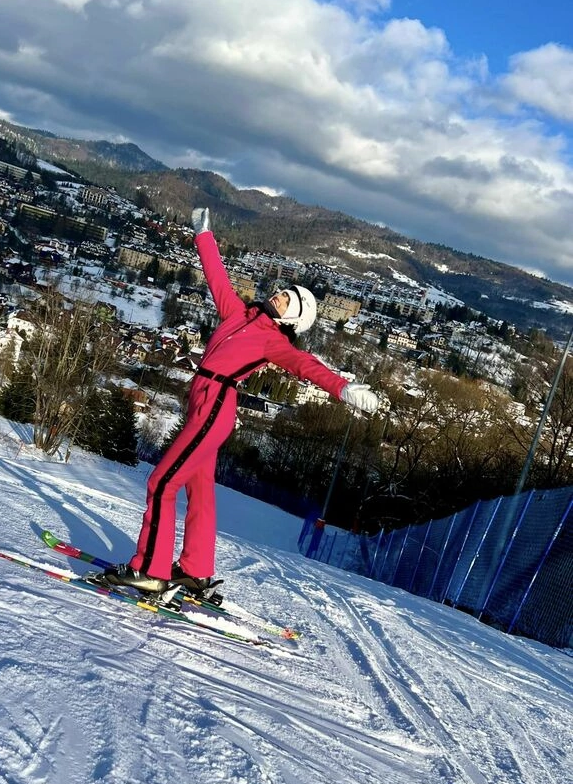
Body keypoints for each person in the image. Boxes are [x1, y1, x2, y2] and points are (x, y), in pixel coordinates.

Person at [103, 208, 384, 597]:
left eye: (287, 300)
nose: (279, 296)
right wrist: (204, 235)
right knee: (198, 488)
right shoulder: (239, 313)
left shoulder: (275, 341)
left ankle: (149, 570)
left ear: (293, 320)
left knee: (162, 481)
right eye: (282, 292)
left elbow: (306, 365)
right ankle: (195, 570)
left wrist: (342, 388)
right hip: (201, 401)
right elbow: (217, 277)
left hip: (218, 402)